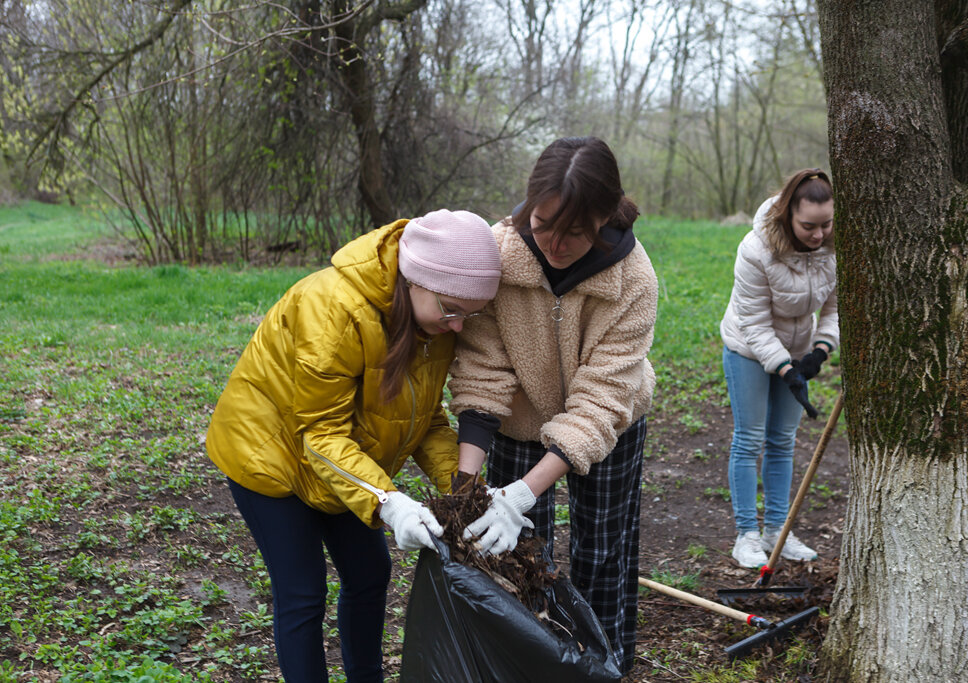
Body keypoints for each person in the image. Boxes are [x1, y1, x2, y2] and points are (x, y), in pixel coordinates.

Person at [205, 210, 501, 683]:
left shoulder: (435, 325)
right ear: (414, 279)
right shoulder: (334, 310)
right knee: (303, 592)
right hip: (267, 455)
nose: (460, 326)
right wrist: (386, 501)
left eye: (471, 314)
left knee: (369, 573)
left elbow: (424, 419)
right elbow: (321, 434)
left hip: (340, 460)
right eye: (452, 309)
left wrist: (468, 493)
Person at [447, 136, 658, 675]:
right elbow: (480, 369)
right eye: (543, 225)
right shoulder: (496, 255)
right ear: (528, 203)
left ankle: (605, 665)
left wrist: (521, 492)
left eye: (575, 233)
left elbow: (602, 398)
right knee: (520, 552)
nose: (555, 245)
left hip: (610, 426)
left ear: (605, 216)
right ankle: (532, 663)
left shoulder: (634, 279)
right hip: (517, 425)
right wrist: (467, 491)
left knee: (602, 553)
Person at [719, 168, 838, 569]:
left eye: (826, 224)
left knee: (783, 441)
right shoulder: (756, 249)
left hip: (798, 349)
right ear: (788, 214)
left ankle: (777, 533)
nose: (819, 234)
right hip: (747, 349)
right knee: (750, 439)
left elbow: (836, 308)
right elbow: (753, 323)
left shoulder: (836, 246)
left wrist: (819, 353)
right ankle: (747, 536)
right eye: (809, 226)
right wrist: (785, 370)